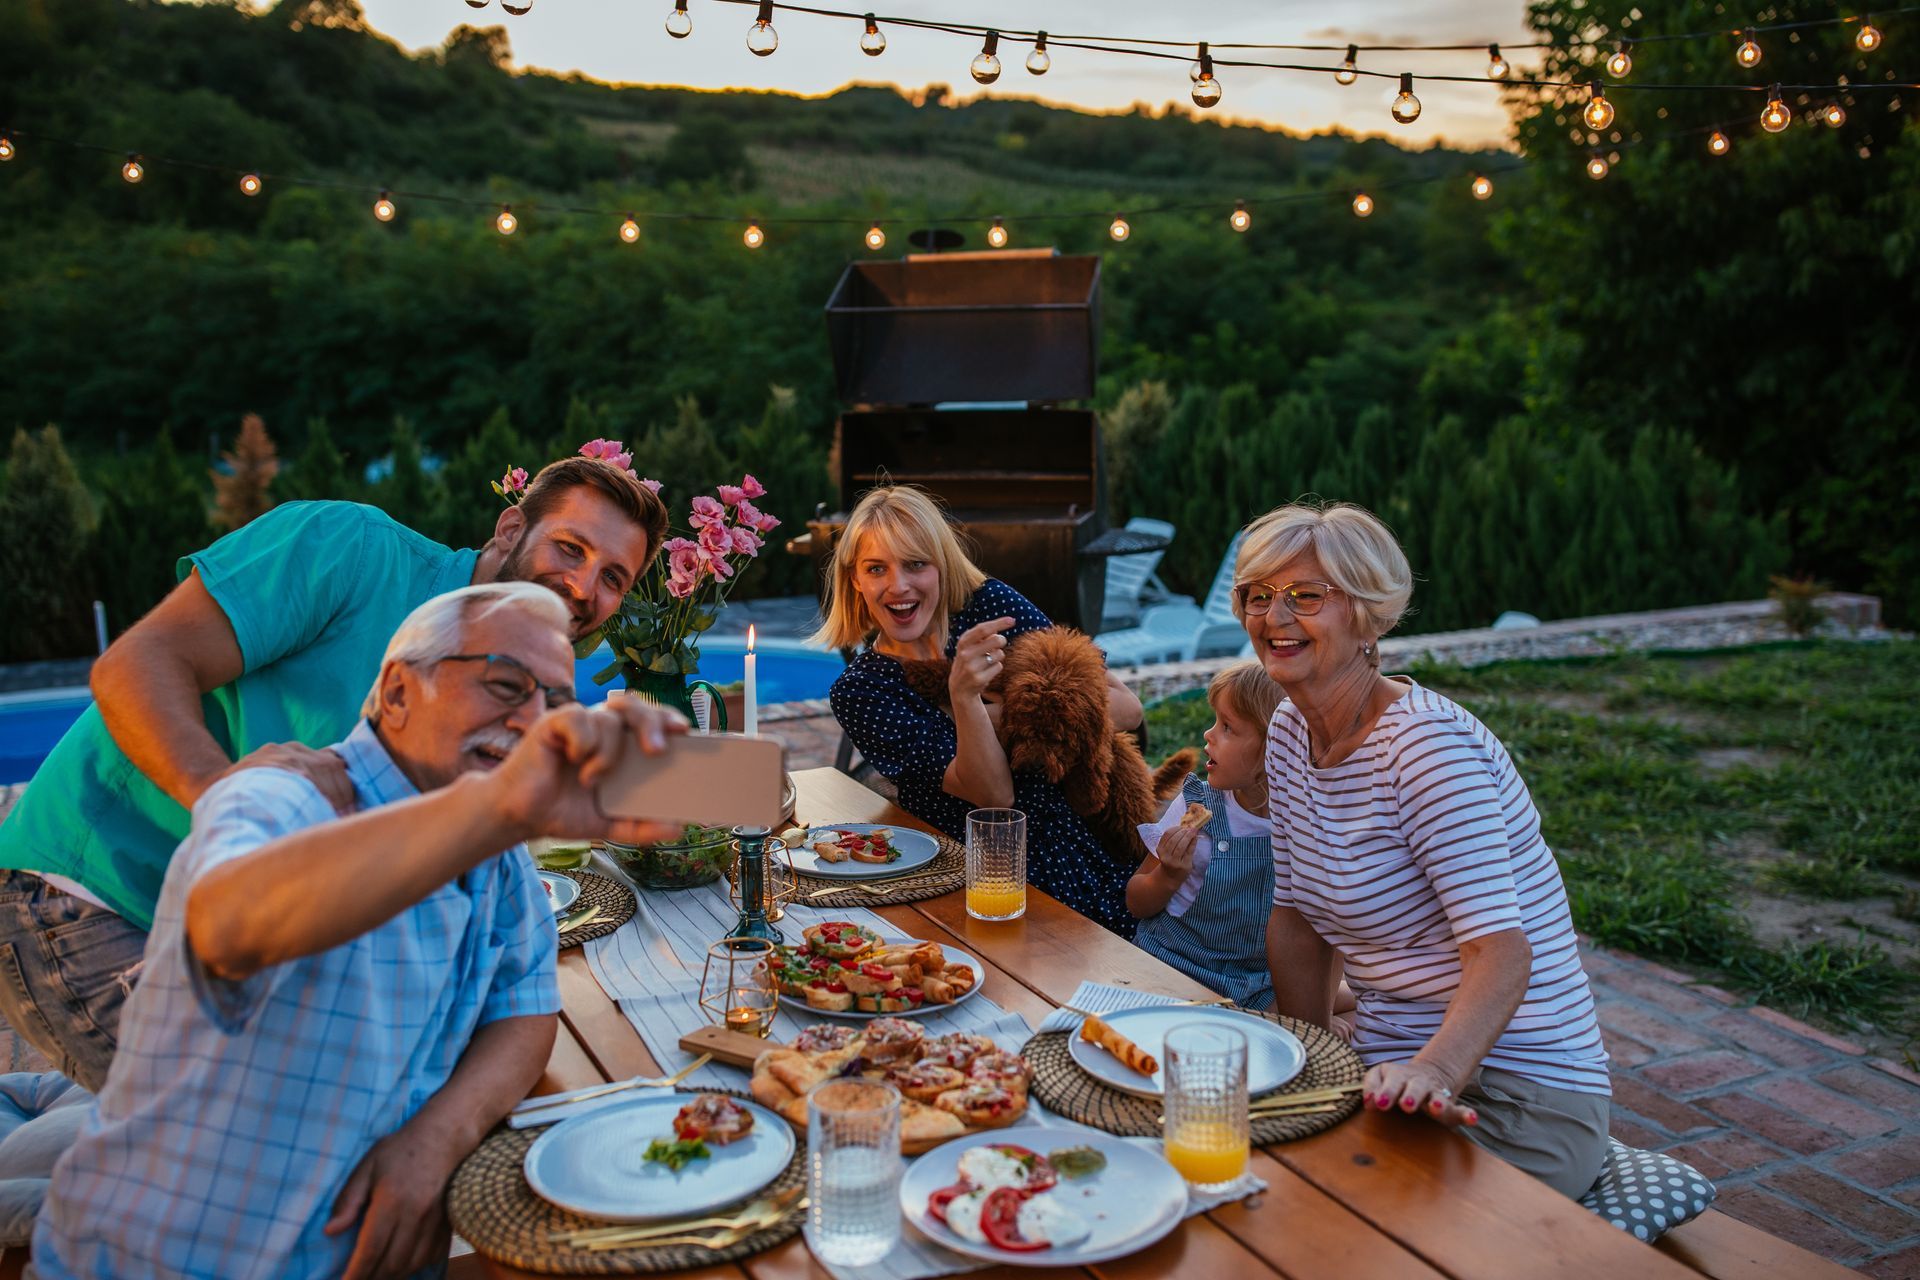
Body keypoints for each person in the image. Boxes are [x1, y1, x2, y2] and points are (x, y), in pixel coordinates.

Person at [30, 581, 689, 1279]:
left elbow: (525, 1008)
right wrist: (497, 807)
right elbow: (229, 922)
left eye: (552, 702)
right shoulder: (285, 795)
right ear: (399, 692)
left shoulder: (493, 851)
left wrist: (437, 1137)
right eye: (505, 685)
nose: (531, 722)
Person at [0, 455, 667, 1090]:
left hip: (274, 939)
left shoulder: (524, 686)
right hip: (90, 902)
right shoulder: (352, 549)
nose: (584, 587)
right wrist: (228, 797)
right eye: (571, 549)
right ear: (512, 528)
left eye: (614, 577)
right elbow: (133, 664)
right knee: (285, 1158)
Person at [1249, 501, 1611, 1199]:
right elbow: (1296, 922)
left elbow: (1502, 953)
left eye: (1306, 596)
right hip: (1389, 1068)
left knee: (1336, 1221)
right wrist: (1310, 1063)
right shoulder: (1291, 729)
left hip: (1516, 1095)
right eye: (1258, 596)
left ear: (1367, 615)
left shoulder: (1426, 751)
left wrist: (1435, 1072)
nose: (1274, 618)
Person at [817, 485, 1145, 936]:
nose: (898, 586)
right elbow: (994, 797)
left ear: (942, 566)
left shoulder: (990, 607)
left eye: (916, 564)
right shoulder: (862, 691)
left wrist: (996, 719)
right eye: (877, 569)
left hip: (1085, 841)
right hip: (982, 877)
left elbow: (1127, 707)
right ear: (855, 579)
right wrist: (968, 698)